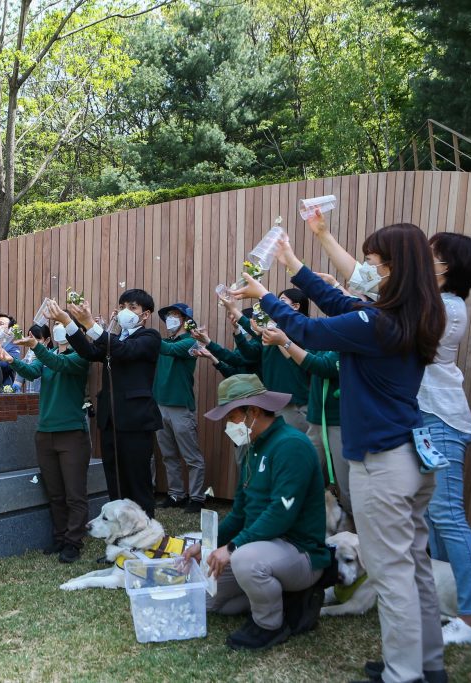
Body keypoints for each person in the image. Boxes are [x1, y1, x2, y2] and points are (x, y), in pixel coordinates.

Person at [236, 225, 447, 683]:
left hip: (384, 464)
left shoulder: (378, 323)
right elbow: (339, 304)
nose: (364, 270)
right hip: (412, 457)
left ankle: (404, 673)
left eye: (372, 263)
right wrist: (292, 263)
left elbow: (310, 330)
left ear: (394, 269)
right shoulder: (408, 316)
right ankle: (427, 664)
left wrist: (265, 296)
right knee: (416, 567)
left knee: (391, 574)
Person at [182, 374, 329, 651]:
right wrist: (207, 545)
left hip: (299, 551)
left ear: (254, 412)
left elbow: (281, 512)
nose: (228, 425)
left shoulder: (291, 445)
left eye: (232, 416)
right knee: (208, 600)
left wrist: (233, 546)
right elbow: (239, 513)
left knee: (245, 559)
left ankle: (269, 626)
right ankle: (283, 600)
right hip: (264, 547)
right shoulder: (253, 450)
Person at [420, 232, 471, 646]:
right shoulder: (433, 304)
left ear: (450, 266)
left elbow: (405, 331)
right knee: (432, 516)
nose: (425, 260)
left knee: (447, 516)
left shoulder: (450, 309)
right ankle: (449, 604)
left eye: (433, 255)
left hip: (442, 420)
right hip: (425, 419)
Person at [56, 289, 162, 519]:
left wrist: (92, 325)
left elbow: (124, 351)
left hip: (135, 420)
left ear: (145, 314)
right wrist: (68, 322)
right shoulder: (113, 338)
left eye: (132, 307)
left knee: (137, 480)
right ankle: (120, 534)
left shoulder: (150, 337)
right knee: (114, 479)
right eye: (123, 306)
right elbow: (88, 351)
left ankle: (144, 536)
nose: (126, 312)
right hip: (110, 419)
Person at [0, 320, 91, 563]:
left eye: (63, 325)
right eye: (55, 323)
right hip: (45, 432)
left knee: (74, 494)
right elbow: (32, 371)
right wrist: (11, 360)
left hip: (71, 433)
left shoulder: (81, 355)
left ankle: (73, 541)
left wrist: (37, 346)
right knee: (55, 493)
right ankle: (60, 537)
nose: (58, 328)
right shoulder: (46, 355)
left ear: (75, 332)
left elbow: (57, 363)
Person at [257, 329, 350, 525]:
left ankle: (355, 533)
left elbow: (320, 366)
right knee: (301, 474)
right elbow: (299, 358)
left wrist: (285, 341)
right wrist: (281, 342)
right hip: (316, 420)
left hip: (339, 423)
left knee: (347, 484)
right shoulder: (323, 344)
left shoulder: (346, 345)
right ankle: (300, 524)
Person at [224, 289, 312, 433]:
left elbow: (254, 328)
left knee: (292, 445)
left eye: (282, 301)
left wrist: (234, 309)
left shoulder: (300, 328)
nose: (276, 305)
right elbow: (251, 332)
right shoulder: (273, 332)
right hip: (273, 399)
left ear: (296, 306)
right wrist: (234, 313)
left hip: (293, 401)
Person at [153, 302, 206, 514]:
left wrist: (147, 336)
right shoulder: (163, 342)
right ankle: (176, 494)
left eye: (175, 315)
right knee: (168, 454)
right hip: (160, 405)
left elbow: (171, 349)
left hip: (181, 407)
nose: (170, 319)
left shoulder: (192, 341)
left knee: (191, 456)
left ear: (185, 319)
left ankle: (197, 497)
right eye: (168, 316)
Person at [0, 313, 22, 388]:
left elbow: (7, 366)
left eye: (1, 324)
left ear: (9, 329)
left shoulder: (14, 348)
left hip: (3, 388)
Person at [21, 324, 51, 393]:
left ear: (47, 340)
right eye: (31, 339)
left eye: (37, 340)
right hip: (30, 401)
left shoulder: (53, 359)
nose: (33, 343)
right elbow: (17, 383)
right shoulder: (25, 360)